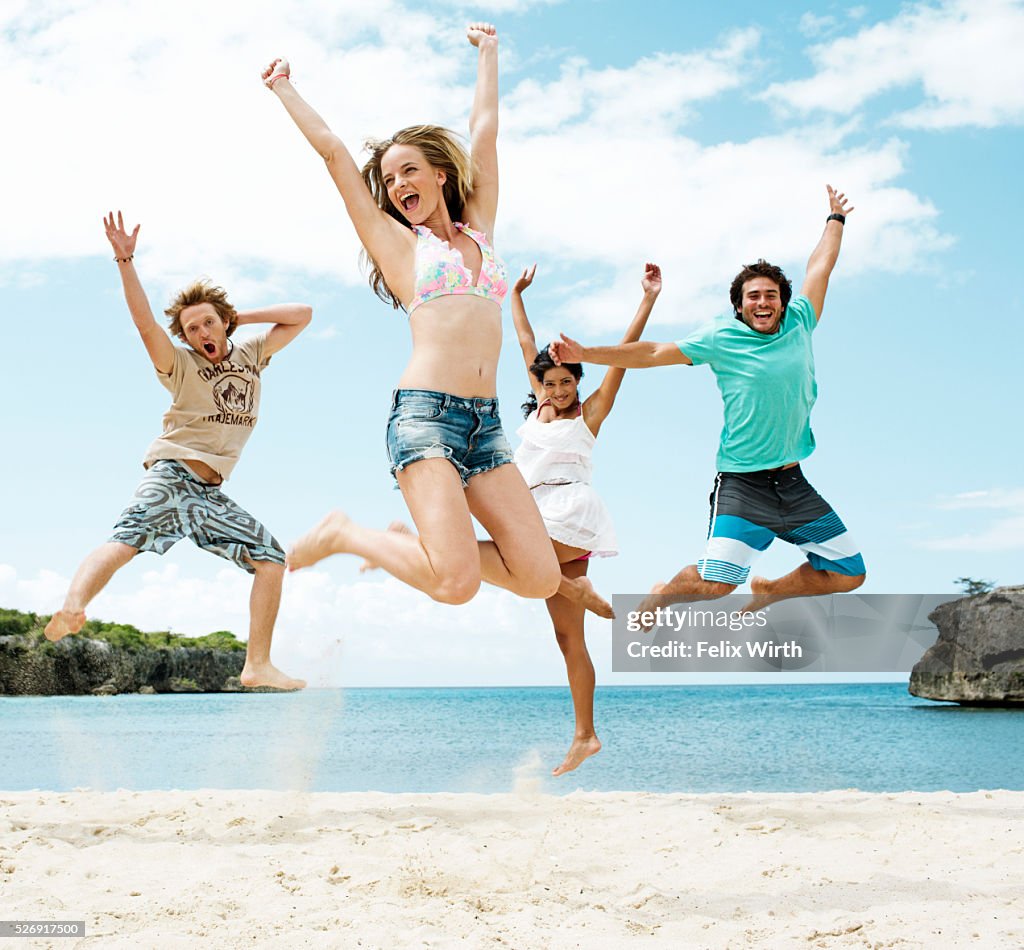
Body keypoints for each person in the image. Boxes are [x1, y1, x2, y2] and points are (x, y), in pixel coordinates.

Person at [261, 23, 560, 606]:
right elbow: (334, 154)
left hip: (486, 425)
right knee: (455, 585)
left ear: (440, 175)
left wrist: (490, 54)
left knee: (540, 576)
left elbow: (485, 133)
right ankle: (345, 533)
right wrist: (283, 88)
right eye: (390, 179)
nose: (397, 185)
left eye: (409, 171)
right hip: (426, 417)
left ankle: (425, 545)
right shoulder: (400, 246)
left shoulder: (480, 229)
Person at [551, 186, 866, 614]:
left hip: (793, 482)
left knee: (849, 573)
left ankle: (772, 590)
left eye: (770, 295)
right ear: (739, 306)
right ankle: (663, 594)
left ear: (783, 302)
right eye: (752, 296)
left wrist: (836, 220)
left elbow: (821, 266)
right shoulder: (722, 337)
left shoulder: (801, 320)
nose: (762, 302)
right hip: (742, 482)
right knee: (718, 586)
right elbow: (655, 353)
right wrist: (586, 354)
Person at [44, 212, 311, 691]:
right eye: (191, 328)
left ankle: (257, 666)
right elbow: (146, 325)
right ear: (184, 339)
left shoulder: (251, 353)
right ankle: (72, 605)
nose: (201, 333)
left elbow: (303, 314)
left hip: (209, 495)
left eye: (208, 323)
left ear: (223, 323)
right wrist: (125, 260)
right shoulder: (180, 364)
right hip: (172, 475)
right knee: (126, 539)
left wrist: (236, 319)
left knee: (270, 559)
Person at [512, 262, 661, 775]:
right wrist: (516, 295)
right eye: (548, 383)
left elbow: (623, 359)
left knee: (515, 568)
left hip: (568, 511)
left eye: (564, 382)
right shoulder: (535, 412)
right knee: (567, 638)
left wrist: (647, 300)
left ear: (578, 380)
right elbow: (524, 337)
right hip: (536, 513)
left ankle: (577, 590)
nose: (556, 391)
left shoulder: (589, 414)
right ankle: (585, 735)